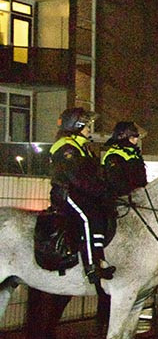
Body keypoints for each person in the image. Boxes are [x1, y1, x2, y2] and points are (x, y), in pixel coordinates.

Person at [49, 107, 115, 283]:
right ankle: (91, 265)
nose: (89, 129)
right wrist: (100, 191)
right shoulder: (66, 147)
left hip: (81, 193)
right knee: (88, 217)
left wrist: (107, 189)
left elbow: (93, 175)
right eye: (86, 125)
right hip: (66, 192)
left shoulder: (82, 147)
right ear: (76, 126)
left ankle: (100, 257)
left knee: (101, 214)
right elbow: (76, 178)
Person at [101, 121, 147, 197]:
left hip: (137, 197)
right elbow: (116, 182)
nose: (136, 139)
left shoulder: (133, 153)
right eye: (133, 136)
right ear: (124, 136)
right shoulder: (114, 155)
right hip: (121, 199)